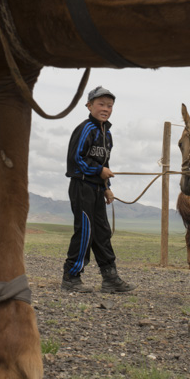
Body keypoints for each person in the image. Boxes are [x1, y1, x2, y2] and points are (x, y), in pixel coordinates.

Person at [61, 86, 136, 294]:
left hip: (96, 188)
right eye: (101, 104)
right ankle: (71, 277)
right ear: (89, 106)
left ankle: (110, 278)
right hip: (81, 186)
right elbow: (75, 160)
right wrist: (98, 171)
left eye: (109, 105)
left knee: (102, 233)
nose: (106, 108)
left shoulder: (107, 134)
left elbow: (105, 163)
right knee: (85, 231)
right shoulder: (85, 128)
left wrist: (107, 188)